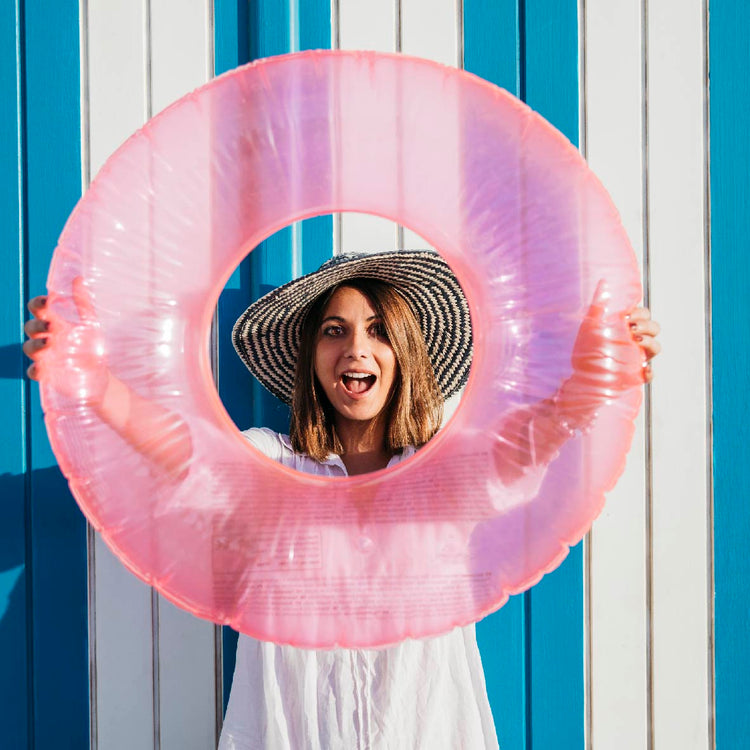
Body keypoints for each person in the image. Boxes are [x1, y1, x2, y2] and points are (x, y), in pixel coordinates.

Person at [24, 249, 660, 749]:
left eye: (379, 330)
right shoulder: (272, 467)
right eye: (335, 330)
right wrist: (99, 387)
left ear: (405, 354)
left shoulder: (442, 471)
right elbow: (187, 452)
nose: (356, 347)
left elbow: (523, 447)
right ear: (312, 359)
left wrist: (588, 385)